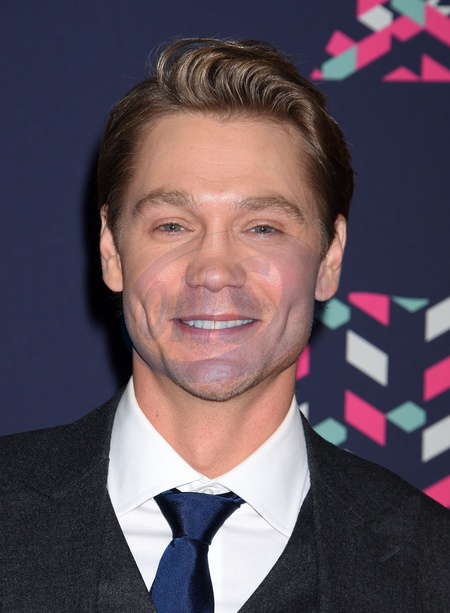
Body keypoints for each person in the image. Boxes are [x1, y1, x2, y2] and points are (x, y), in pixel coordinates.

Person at [0, 38, 449, 613]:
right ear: (111, 249)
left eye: (262, 228)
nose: (213, 271)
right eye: (172, 225)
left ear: (329, 258)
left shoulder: (433, 566)